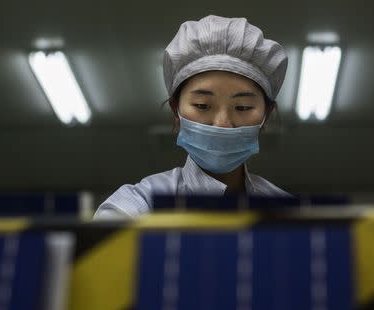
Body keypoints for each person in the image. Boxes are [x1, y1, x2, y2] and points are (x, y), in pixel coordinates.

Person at [95, 15, 290, 219]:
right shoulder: (139, 205)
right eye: (202, 105)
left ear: (265, 116)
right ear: (175, 111)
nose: (222, 123)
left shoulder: (287, 213)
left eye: (242, 107)